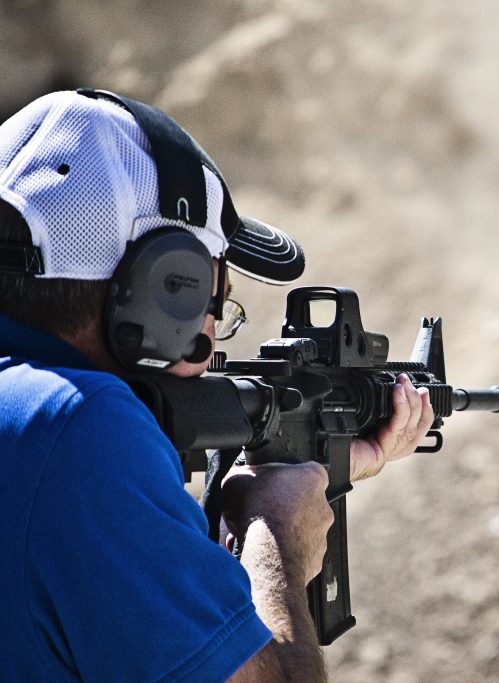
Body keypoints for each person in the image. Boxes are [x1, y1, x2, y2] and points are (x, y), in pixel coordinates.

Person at [0, 90, 434, 681]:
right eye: (216, 302)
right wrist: (277, 538)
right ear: (165, 292)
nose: (212, 342)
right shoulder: (78, 428)